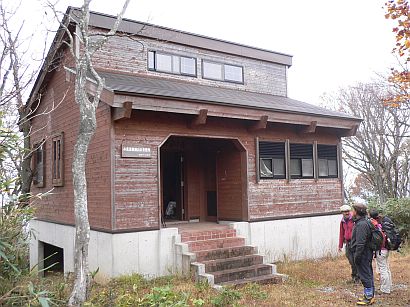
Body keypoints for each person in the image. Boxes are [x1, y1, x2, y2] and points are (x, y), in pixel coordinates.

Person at [350, 203, 375, 305]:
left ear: (356, 212)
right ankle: (369, 296)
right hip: (366, 253)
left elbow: (360, 243)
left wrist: (357, 257)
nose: (352, 212)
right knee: (368, 274)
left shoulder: (361, 225)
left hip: (363, 254)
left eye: (353, 210)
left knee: (365, 276)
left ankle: (368, 298)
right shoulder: (365, 222)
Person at [369, 209, 392, 295]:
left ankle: (385, 289)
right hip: (386, 249)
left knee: (383, 269)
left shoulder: (375, 225)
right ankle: (389, 286)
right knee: (386, 268)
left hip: (380, 250)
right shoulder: (382, 223)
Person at [338, 204, 359, 283]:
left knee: (356, 260)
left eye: (348, 211)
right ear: (342, 213)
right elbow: (341, 233)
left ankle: (357, 277)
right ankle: (354, 276)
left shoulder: (354, 219)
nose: (347, 213)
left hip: (355, 243)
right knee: (351, 260)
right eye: (345, 212)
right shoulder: (342, 221)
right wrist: (340, 245)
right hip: (348, 243)